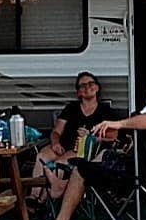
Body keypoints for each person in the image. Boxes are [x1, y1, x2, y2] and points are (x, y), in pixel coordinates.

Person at [30, 68, 146, 220]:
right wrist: (102, 133)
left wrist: (119, 123)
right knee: (102, 155)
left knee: (82, 169)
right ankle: (61, 186)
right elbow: (123, 137)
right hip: (145, 169)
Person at [35, 71, 121, 204]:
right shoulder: (71, 108)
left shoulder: (105, 111)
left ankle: (42, 201)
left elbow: (113, 137)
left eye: (91, 83)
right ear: (78, 93)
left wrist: (91, 136)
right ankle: (33, 196)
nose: (87, 87)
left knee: (60, 163)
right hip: (63, 145)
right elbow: (56, 131)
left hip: (84, 149)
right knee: (41, 156)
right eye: (82, 86)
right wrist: (56, 143)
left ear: (97, 88)